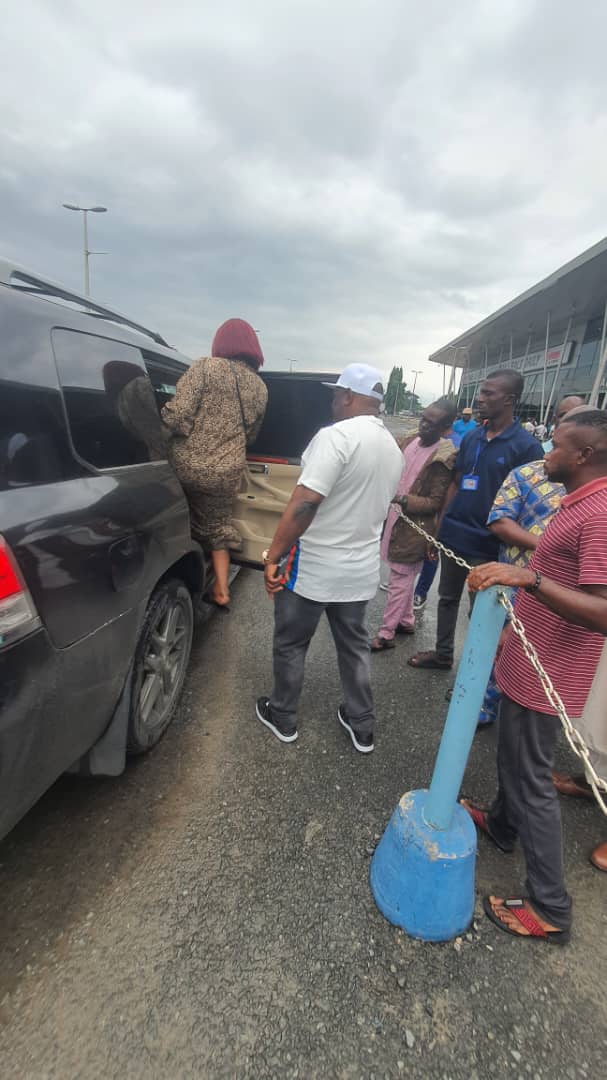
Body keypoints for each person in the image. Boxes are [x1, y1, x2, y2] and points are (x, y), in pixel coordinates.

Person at [463, 408, 607, 943]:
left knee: (532, 779)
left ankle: (550, 908)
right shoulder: (580, 502)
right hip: (529, 658)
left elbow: (603, 610)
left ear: (584, 456)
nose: (546, 453)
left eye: (557, 446)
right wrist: (515, 626)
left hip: (552, 672)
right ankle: (502, 827)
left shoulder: (599, 514)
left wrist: (530, 578)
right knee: (512, 756)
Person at [256, 364, 402, 753]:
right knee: (353, 646)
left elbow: (305, 502)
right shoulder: (392, 446)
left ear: (350, 397)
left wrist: (274, 553)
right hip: (360, 570)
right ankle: (362, 723)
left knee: (290, 644)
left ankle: (283, 715)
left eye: (336, 394)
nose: (333, 401)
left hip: (315, 566)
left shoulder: (335, 437)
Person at [408, 370, 540, 671]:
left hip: (489, 545)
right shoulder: (472, 437)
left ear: (509, 400)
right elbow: (456, 483)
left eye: (488, 393)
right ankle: (442, 655)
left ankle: (474, 676)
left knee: (481, 612)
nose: (480, 398)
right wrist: (439, 529)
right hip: (455, 535)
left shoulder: (526, 447)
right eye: (481, 392)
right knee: (446, 598)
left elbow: (529, 505)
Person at [476, 396, 585, 724]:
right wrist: (546, 547)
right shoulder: (528, 474)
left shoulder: (596, 495)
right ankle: (484, 703)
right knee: (497, 647)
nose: (562, 426)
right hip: (515, 581)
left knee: (549, 662)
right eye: (561, 418)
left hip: (571, 594)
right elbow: (499, 520)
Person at [162, 319, 267, 608]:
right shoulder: (260, 387)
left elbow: (178, 414)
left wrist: (154, 433)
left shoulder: (204, 367)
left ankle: (180, 570)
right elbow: (252, 434)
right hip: (227, 469)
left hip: (185, 464)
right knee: (217, 527)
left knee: (180, 520)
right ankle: (221, 588)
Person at [371, 399, 457, 650]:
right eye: (423, 419)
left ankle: (386, 634)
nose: (424, 426)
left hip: (415, 528)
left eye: (432, 424)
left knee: (400, 578)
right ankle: (406, 620)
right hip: (395, 520)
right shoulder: (409, 441)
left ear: (446, 428)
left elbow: (434, 502)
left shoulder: (444, 458)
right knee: (403, 576)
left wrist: (402, 499)